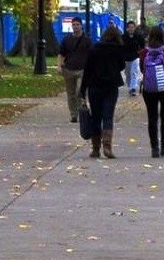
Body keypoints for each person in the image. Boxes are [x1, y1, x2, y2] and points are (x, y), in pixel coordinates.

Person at [78, 24, 129, 159]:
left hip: (94, 86)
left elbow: (87, 70)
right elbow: (122, 65)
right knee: (108, 116)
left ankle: (95, 148)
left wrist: (82, 91)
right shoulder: (117, 50)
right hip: (111, 86)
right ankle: (107, 147)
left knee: (96, 116)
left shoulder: (94, 49)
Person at [138, 25, 164, 157]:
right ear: (162, 35)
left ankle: (154, 147)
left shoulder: (144, 52)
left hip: (149, 88)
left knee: (152, 117)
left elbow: (142, 69)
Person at [58, 18, 90, 121]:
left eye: (77, 24)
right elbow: (61, 54)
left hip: (83, 69)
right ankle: (73, 114)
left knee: (79, 91)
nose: (75, 26)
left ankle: (81, 110)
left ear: (81, 25)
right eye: (74, 25)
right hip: (69, 69)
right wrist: (59, 66)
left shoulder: (87, 40)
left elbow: (92, 55)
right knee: (70, 93)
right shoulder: (67, 40)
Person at [122, 19, 145, 96]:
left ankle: (133, 88)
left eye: (132, 27)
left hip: (135, 57)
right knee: (128, 73)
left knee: (134, 72)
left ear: (134, 28)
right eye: (130, 27)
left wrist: (140, 52)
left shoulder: (138, 36)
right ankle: (130, 86)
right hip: (126, 58)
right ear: (127, 28)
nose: (131, 29)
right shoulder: (123, 37)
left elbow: (143, 45)